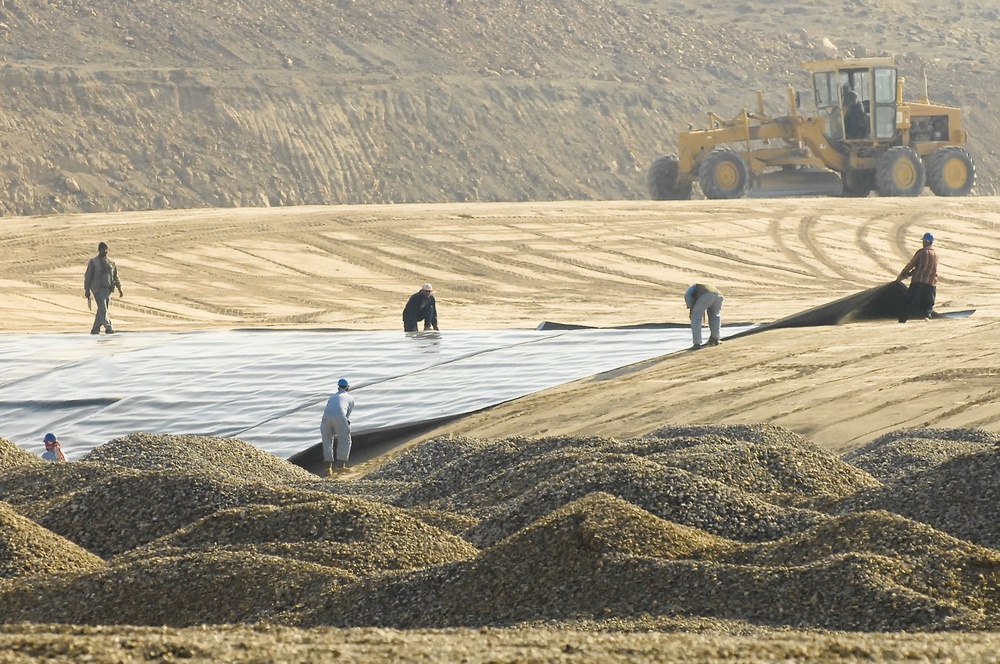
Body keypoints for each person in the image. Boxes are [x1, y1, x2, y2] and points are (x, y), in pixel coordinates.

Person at [896, 232, 938, 322]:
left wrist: (903, 274)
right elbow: (929, 268)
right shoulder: (936, 254)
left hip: (918, 281)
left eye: (923, 241)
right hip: (931, 282)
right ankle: (927, 317)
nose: (922, 243)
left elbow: (912, 264)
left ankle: (903, 319)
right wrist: (909, 274)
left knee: (910, 300)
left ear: (926, 242)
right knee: (929, 303)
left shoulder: (921, 252)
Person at [84, 241, 123, 335]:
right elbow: (88, 276)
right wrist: (87, 289)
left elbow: (115, 276)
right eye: (103, 249)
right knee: (103, 309)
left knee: (101, 310)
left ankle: (95, 329)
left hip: (108, 289)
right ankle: (108, 327)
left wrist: (119, 288)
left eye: (106, 249)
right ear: (99, 250)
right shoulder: (93, 262)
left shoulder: (111, 262)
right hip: (97, 289)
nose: (105, 251)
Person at [321, 378, 355, 475]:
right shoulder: (351, 398)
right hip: (340, 416)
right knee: (344, 440)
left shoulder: (332, 397)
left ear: (338, 387)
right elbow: (347, 415)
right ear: (348, 388)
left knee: (327, 441)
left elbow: (328, 408)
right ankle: (341, 466)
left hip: (326, 418)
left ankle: (328, 468)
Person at [684, 283, 724, 350]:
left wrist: (691, 308)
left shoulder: (693, 288)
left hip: (706, 295)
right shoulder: (703, 287)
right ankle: (716, 338)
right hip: (719, 296)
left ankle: (697, 343)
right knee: (715, 316)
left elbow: (687, 296)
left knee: (696, 318)